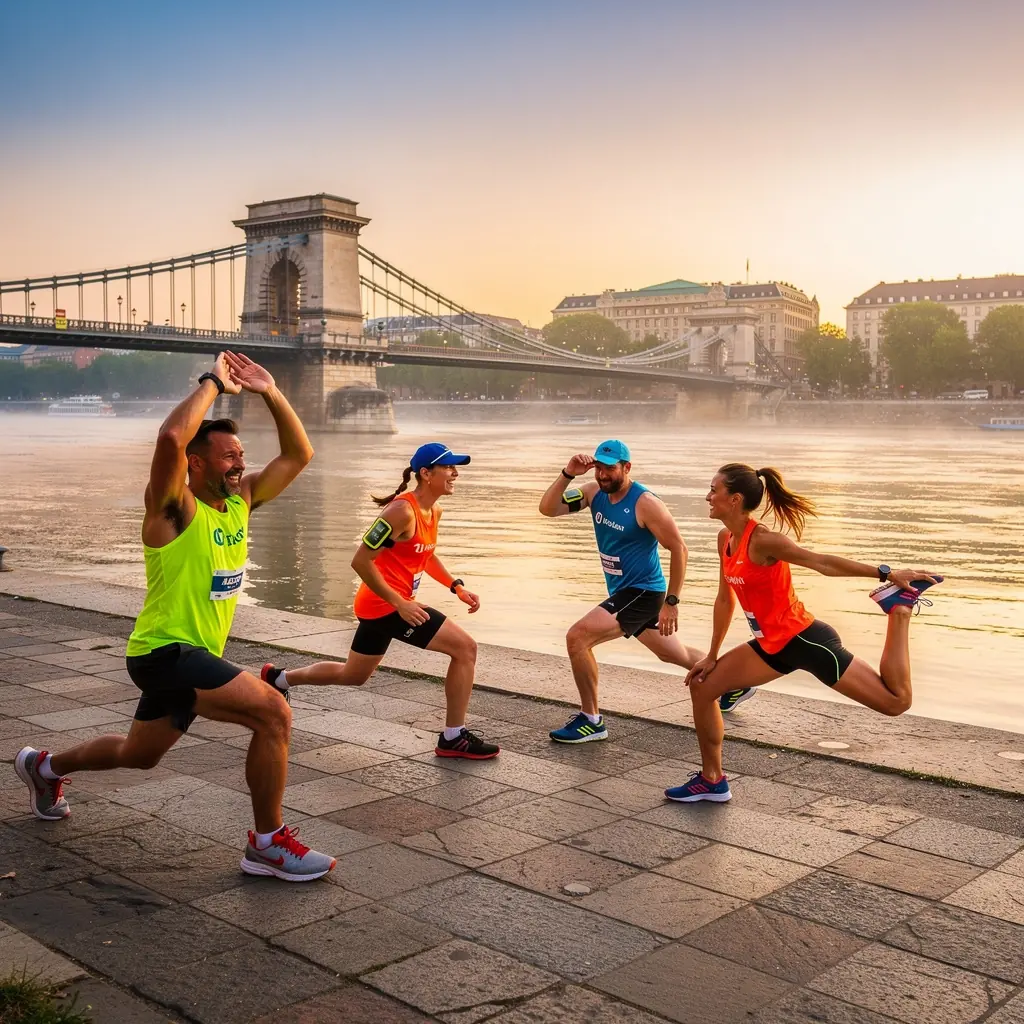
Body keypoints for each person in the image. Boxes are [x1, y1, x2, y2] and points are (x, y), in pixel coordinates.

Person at [15, 351, 337, 882]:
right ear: (197, 463)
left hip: (190, 657)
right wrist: (215, 381)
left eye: (241, 453)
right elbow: (169, 439)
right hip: (164, 652)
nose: (239, 463)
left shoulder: (241, 501)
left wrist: (270, 391)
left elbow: (299, 454)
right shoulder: (173, 508)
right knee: (274, 712)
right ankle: (267, 843)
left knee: (139, 754)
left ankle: (44, 767)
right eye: (228, 455)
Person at [666, 462, 942, 803]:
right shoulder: (726, 539)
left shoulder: (765, 541)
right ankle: (712, 781)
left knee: (896, 702)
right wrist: (712, 655)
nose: (707, 496)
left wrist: (884, 572)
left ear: (735, 499)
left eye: (713, 490)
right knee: (702, 685)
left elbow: (821, 563)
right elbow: (725, 600)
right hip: (771, 645)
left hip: (805, 641)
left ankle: (898, 610)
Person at [261, 442, 499, 759]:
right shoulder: (401, 511)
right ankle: (453, 737)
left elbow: (425, 555)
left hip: (386, 606)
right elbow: (361, 561)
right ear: (426, 474)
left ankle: (278, 678)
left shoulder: (433, 511)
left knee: (353, 675)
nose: (455, 473)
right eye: (449, 467)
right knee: (466, 648)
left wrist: (455, 586)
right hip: (385, 606)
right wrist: (400, 603)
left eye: (456, 468)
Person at [538, 439, 752, 744]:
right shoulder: (592, 492)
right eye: (598, 467)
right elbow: (548, 509)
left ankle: (591, 720)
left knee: (578, 637)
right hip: (625, 591)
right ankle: (733, 683)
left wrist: (672, 602)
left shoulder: (645, 503)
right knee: (672, 653)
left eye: (609, 468)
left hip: (644, 593)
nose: (602, 474)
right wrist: (567, 473)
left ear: (626, 467)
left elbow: (679, 548)